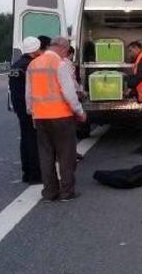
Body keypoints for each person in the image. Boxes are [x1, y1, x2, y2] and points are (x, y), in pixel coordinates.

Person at [26, 36, 87, 202]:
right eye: (67, 51)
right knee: (66, 156)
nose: (66, 55)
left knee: (46, 157)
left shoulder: (33, 64)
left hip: (40, 118)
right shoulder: (59, 64)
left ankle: (49, 193)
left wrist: (33, 114)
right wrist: (79, 111)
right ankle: (67, 192)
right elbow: (69, 93)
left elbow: (29, 95)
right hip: (61, 117)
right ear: (61, 47)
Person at [8, 36, 42, 184]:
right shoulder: (31, 65)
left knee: (25, 139)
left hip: (19, 107)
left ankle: (26, 173)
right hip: (30, 108)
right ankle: (35, 175)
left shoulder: (16, 65)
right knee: (33, 141)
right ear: (35, 50)